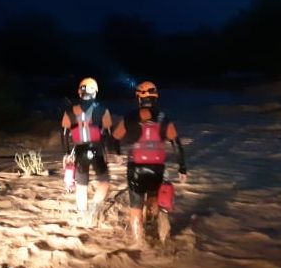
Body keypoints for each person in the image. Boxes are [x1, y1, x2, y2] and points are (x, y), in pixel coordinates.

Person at [112, 81, 187, 244]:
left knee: (136, 207)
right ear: (155, 97)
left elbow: (115, 137)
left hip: (136, 168)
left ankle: (139, 244)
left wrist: (117, 154)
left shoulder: (130, 117)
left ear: (139, 98)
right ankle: (160, 236)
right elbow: (177, 144)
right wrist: (182, 168)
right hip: (157, 169)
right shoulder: (164, 118)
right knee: (154, 200)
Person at [61, 77, 116, 226]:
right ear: (95, 92)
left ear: (80, 92)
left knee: (81, 183)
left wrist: (66, 153)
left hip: (79, 150)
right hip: (96, 149)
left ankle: (82, 212)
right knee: (104, 182)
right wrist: (113, 151)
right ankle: (94, 209)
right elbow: (109, 133)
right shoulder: (102, 109)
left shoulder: (70, 110)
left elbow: (64, 134)